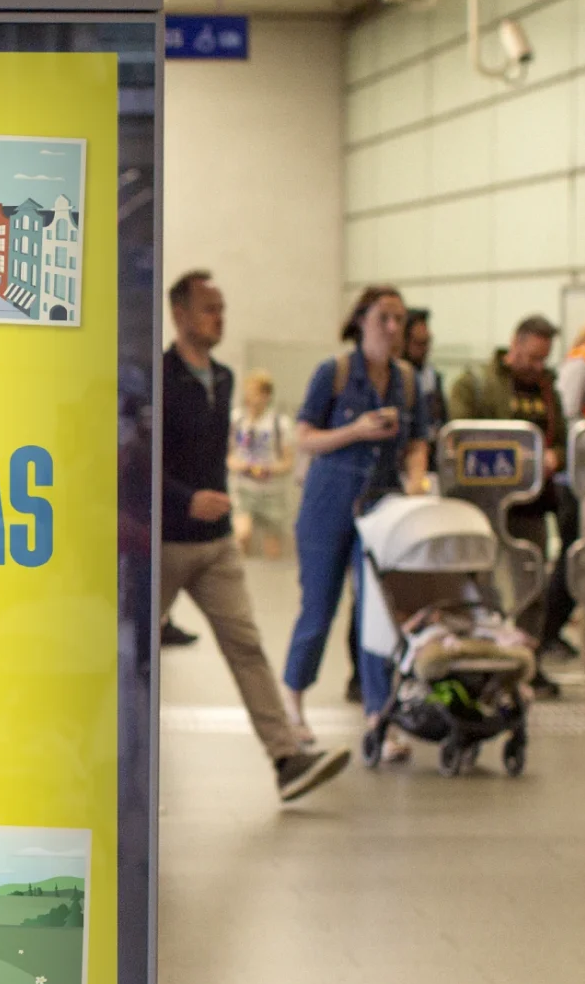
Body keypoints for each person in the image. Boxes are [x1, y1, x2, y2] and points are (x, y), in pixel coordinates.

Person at [159, 272, 349, 800]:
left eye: (221, 308)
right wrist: (183, 500)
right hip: (165, 543)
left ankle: (286, 757)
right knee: (127, 651)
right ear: (178, 315)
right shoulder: (156, 378)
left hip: (216, 545)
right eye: (208, 309)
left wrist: (215, 504)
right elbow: (136, 462)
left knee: (246, 646)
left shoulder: (222, 379)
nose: (219, 317)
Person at [284, 285, 430, 745]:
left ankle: (377, 716)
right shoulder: (336, 372)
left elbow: (418, 440)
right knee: (319, 606)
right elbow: (304, 437)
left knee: (378, 613)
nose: (393, 328)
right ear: (361, 321)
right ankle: (292, 698)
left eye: (399, 320)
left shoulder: (408, 381)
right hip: (328, 504)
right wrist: (355, 430)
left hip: (382, 507)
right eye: (384, 317)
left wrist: (418, 478)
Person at [451, 315, 574, 688]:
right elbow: (460, 437)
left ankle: (526, 663)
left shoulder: (548, 391)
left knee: (532, 581)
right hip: (482, 506)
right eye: (532, 357)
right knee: (477, 582)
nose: (537, 366)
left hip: (531, 505)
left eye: (544, 359)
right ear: (514, 345)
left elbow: (564, 440)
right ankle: (475, 659)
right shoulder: (475, 384)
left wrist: (554, 456)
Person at [228, 369, 298, 560]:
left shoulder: (279, 423)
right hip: (243, 487)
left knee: (272, 543)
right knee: (242, 534)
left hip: (271, 492)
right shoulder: (237, 419)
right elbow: (228, 455)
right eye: (248, 392)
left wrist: (267, 469)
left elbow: (288, 462)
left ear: (266, 396)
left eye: (255, 393)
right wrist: (240, 466)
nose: (250, 398)